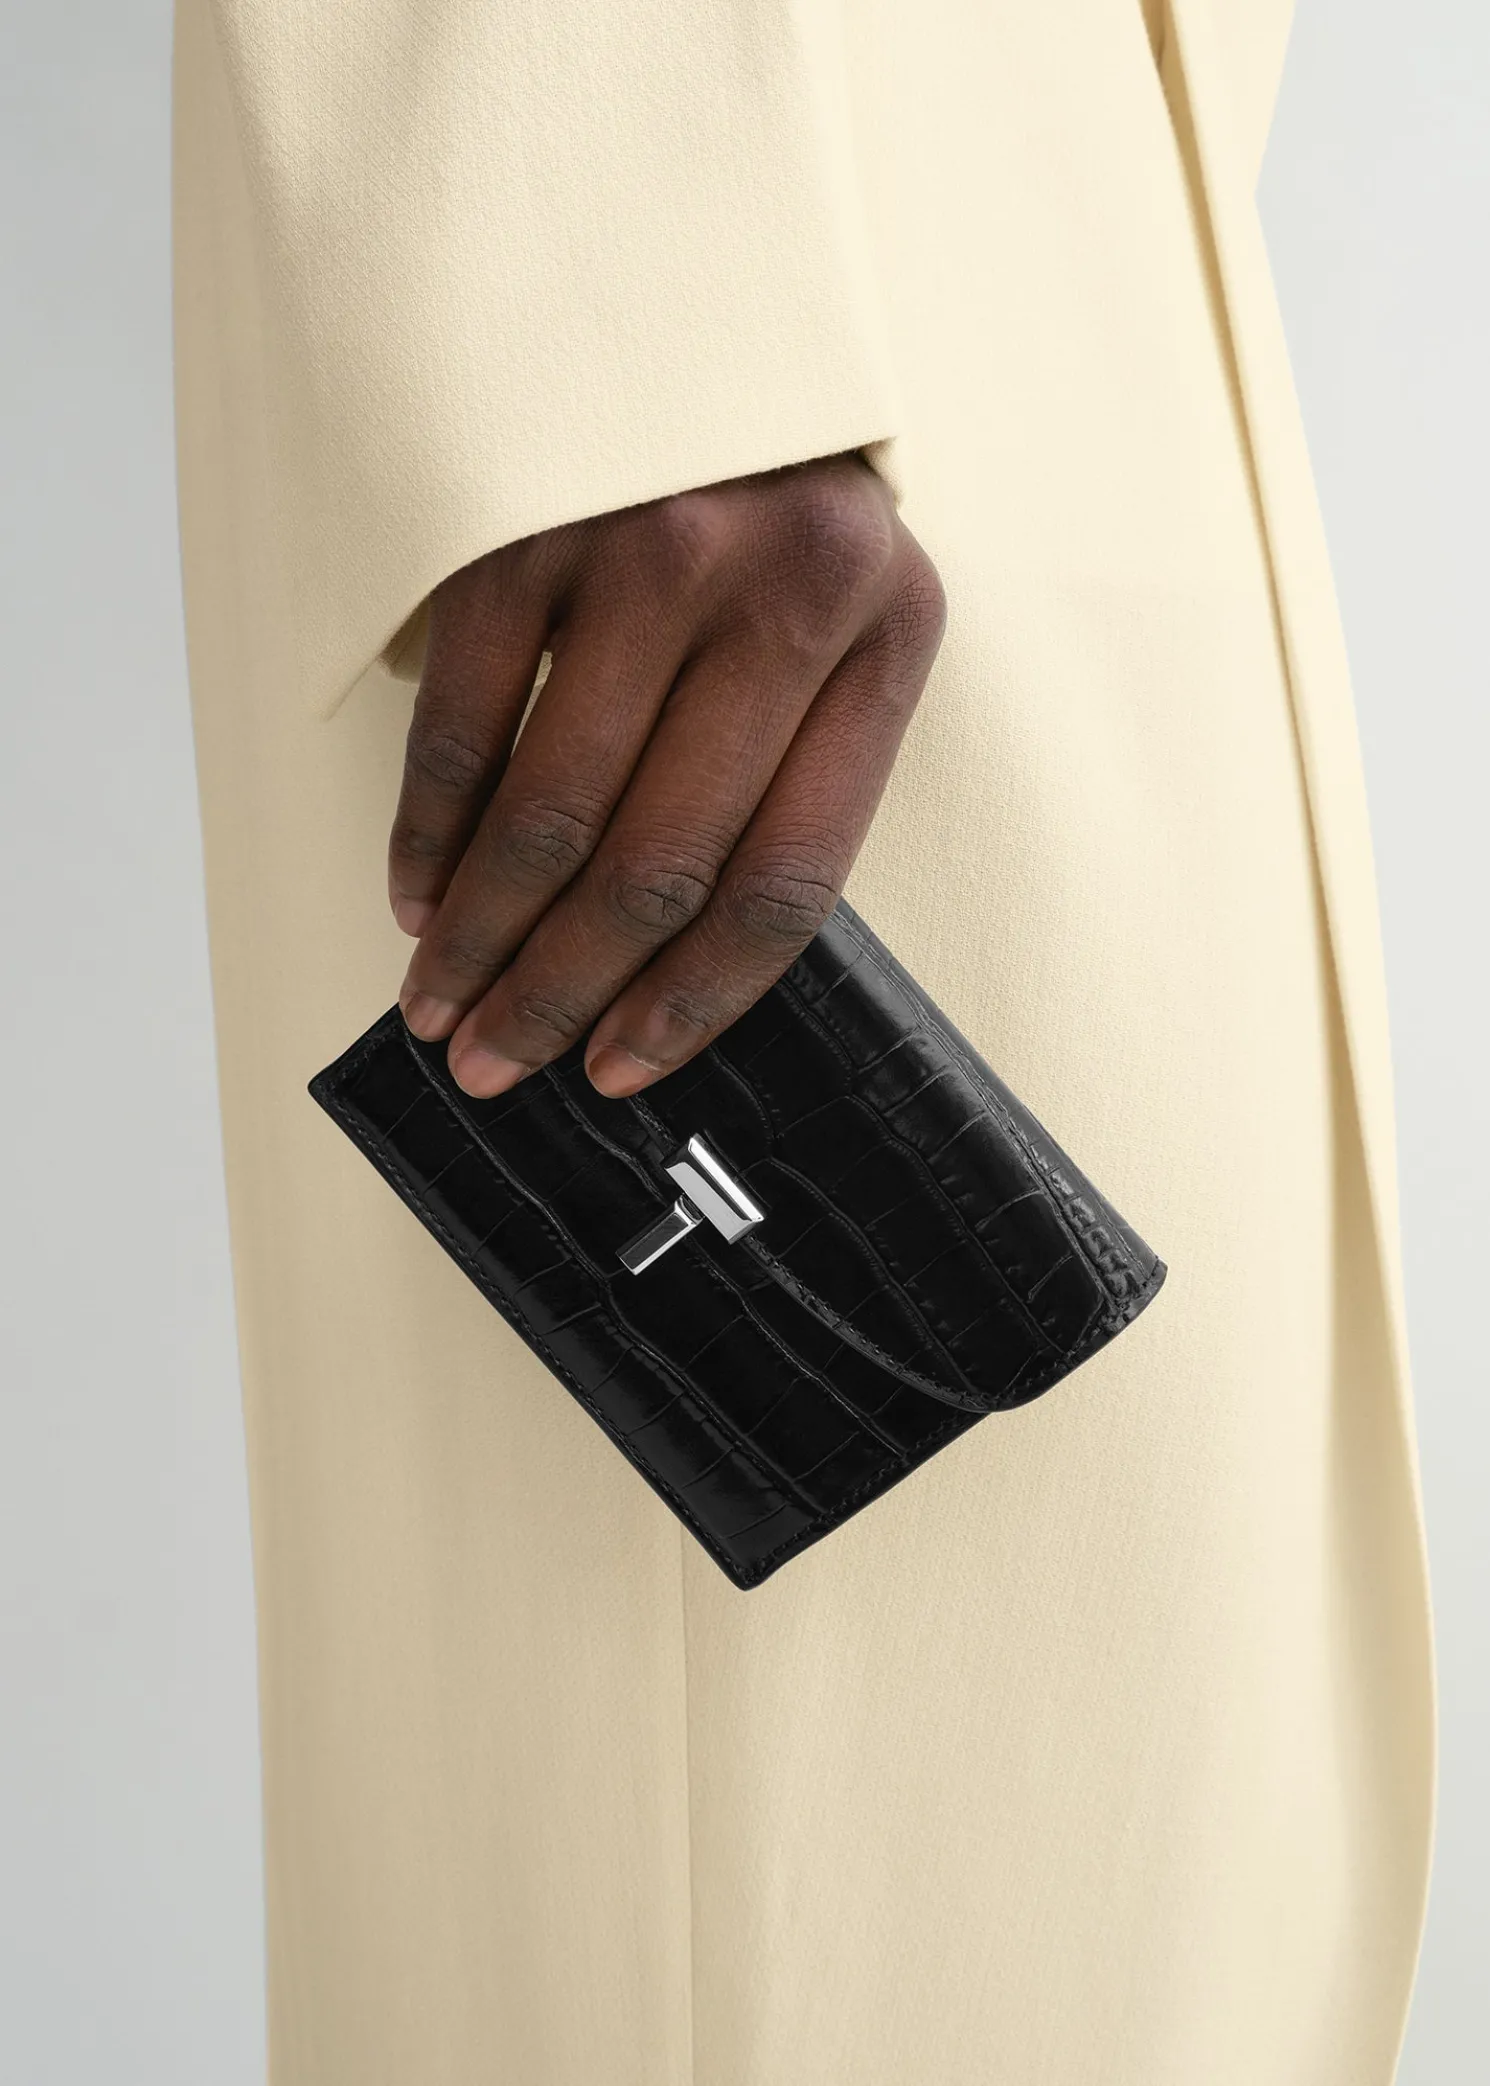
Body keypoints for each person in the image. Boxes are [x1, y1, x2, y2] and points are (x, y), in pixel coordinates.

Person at [173, 2, 1434, 2080]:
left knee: (1147, 1800)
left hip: (1054, 276)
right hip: (751, 313)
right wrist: (635, 300)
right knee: (826, 1836)